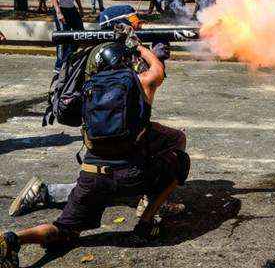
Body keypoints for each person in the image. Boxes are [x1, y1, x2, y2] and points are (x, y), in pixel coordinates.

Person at [1, 43, 189, 268]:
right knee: (180, 161)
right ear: (125, 62)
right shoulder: (139, 83)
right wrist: (140, 47)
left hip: (91, 176)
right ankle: (146, 224)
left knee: (63, 232)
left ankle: (13, 238)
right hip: (130, 174)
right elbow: (157, 69)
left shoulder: (88, 89)